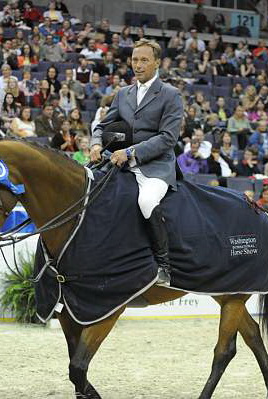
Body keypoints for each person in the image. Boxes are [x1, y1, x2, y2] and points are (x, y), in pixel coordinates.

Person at [90, 39, 183, 286]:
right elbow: (102, 126)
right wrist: (96, 144)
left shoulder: (171, 95)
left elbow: (168, 138)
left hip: (156, 165)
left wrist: (130, 152)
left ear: (157, 63)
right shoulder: (123, 94)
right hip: (119, 162)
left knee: (146, 200)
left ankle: (163, 265)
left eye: (143, 60)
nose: (138, 65)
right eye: (134, 60)